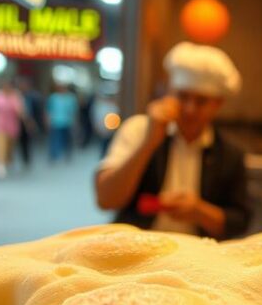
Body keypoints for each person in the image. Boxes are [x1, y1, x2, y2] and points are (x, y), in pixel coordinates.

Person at [95, 42, 251, 239]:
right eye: (182, 97)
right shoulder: (138, 129)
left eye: (201, 101)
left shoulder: (230, 154)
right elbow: (106, 199)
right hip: (136, 246)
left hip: (198, 251)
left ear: (218, 104)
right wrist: (149, 143)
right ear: (169, 92)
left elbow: (240, 222)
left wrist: (199, 212)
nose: (190, 109)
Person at [0, 77, 25, 179]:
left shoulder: (16, 96)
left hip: (12, 126)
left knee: (9, 147)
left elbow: (21, 111)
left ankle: (7, 162)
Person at [46, 81, 77, 164]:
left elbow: (73, 111)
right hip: (55, 122)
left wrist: (74, 122)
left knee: (67, 140)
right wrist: (48, 121)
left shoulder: (70, 98)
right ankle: (54, 156)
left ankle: (67, 154)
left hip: (67, 122)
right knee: (55, 139)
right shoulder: (53, 98)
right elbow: (49, 111)